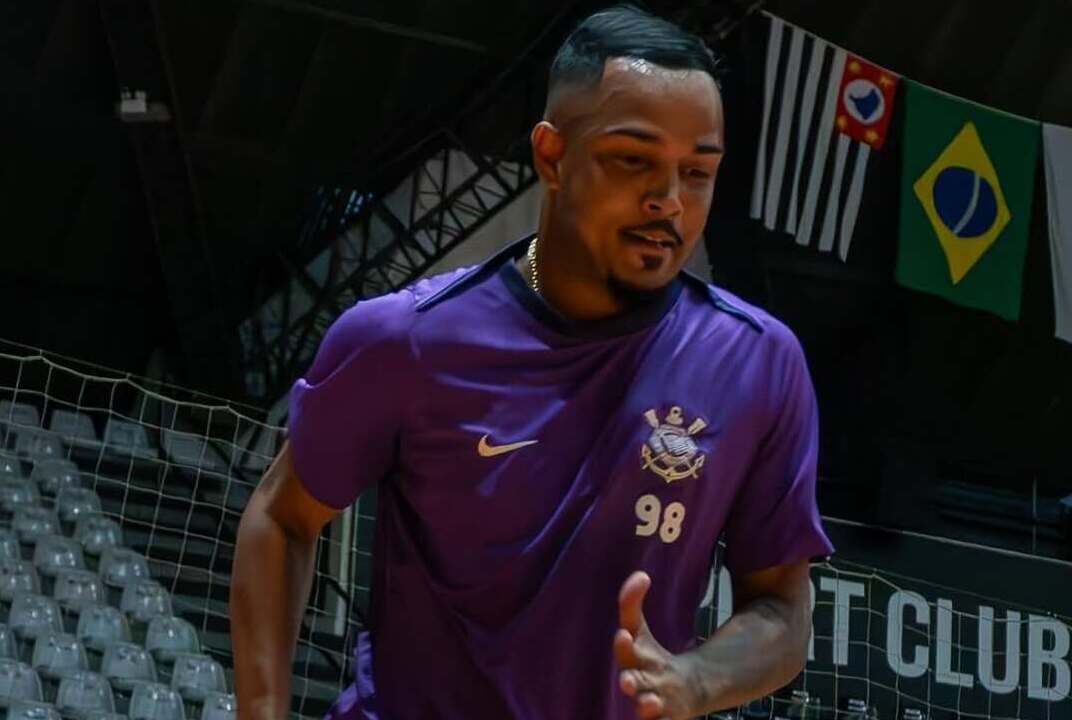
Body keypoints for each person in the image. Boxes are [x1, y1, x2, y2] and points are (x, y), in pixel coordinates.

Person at [232, 5, 834, 719]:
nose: (669, 201)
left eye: (697, 172)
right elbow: (282, 516)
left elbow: (781, 607)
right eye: (633, 160)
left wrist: (696, 679)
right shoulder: (407, 340)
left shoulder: (759, 363)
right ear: (551, 156)